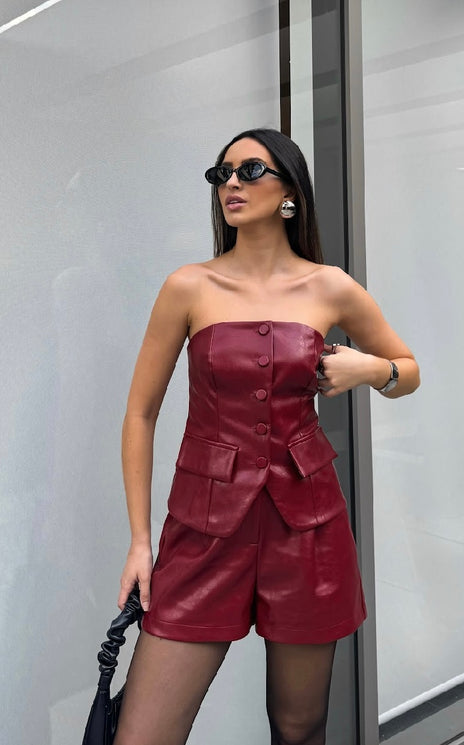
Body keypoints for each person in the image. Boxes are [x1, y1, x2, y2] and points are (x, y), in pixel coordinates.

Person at [114, 128, 420, 745]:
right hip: (203, 529)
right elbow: (140, 414)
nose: (231, 183)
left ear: (290, 192)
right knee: (143, 735)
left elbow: (407, 371)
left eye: (250, 171)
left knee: (300, 727)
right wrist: (141, 542)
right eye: (221, 173)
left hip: (308, 527)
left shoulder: (330, 286)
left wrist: (370, 370)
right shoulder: (188, 286)